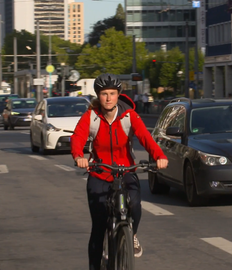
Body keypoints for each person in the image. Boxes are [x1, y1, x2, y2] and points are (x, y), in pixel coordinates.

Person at [71, 73, 168, 270]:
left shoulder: (129, 116)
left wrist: (159, 157)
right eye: (104, 94)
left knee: (136, 205)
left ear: (118, 95)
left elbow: (146, 139)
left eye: (112, 94)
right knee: (98, 227)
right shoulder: (91, 117)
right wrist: (78, 156)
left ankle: (131, 235)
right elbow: (77, 137)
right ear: (98, 96)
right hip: (100, 173)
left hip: (126, 171)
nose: (108, 98)